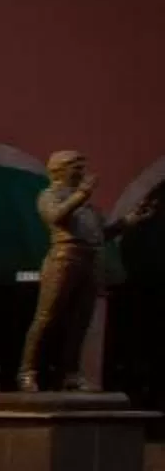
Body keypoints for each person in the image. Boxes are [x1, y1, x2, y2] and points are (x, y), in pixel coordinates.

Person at [20, 151, 159, 392]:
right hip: (64, 258)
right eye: (76, 166)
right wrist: (82, 194)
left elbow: (102, 234)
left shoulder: (87, 206)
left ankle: (72, 374)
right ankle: (27, 371)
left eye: (82, 166)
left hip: (91, 260)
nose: (82, 171)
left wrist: (132, 218)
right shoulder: (50, 195)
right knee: (46, 318)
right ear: (59, 170)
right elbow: (55, 217)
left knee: (80, 322)